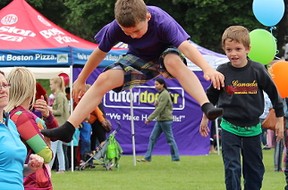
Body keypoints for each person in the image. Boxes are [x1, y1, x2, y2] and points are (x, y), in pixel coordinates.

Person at [41, 0, 224, 143]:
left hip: (165, 54)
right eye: (127, 33)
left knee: (172, 60)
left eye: (136, 30)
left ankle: (206, 106)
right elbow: (98, 53)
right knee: (104, 79)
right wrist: (81, 80)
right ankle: (68, 128)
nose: (133, 36)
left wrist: (206, 68)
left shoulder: (161, 20)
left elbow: (186, 46)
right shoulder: (115, 27)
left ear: (147, 17)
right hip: (138, 59)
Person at [199, 26, 284, 190]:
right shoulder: (221, 72)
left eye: (238, 49)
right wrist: (205, 118)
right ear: (224, 50)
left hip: (253, 130)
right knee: (232, 170)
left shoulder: (258, 70)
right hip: (229, 128)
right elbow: (210, 97)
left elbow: (275, 94)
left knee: (255, 174)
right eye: (229, 50)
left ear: (247, 49)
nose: (233, 54)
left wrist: (279, 119)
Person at [5, 67, 57, 190]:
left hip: (28, 188)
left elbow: (55, 134)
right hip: (33, 189)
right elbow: (46, 155)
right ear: (30, 89)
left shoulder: (12, 115)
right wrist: (47, 140)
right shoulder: (23, 117)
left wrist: (48, 117)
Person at [0, 70, 44, 190]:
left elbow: (11, 167)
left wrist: (30, 168)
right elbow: (47, 153)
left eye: (5, 85)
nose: (2, 90)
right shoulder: (21, 117)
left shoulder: (10, 124)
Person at [138, 78, 180, 162]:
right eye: (155, 84)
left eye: (157, 84)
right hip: (160, 120)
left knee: (170, 139)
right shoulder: (161, 94)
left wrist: (150, 118)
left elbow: (160, 109)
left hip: (165, 120)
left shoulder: (164, 94)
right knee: (152, 138)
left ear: (162, 85)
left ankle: (175, 158)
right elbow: (160, 106)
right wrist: (156, 103)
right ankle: (147, 157)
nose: (155, 86)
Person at [48, 76, 70, 173]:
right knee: (59, 149)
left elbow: (60, 111)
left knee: (53, 147)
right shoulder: (60, 95)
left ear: (56, 84)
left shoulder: (60, 96)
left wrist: (50, 110)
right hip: (61, 125)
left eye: (51, 84)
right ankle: (62, 168)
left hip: (59, 125)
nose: (50, 86)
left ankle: (48, 168)